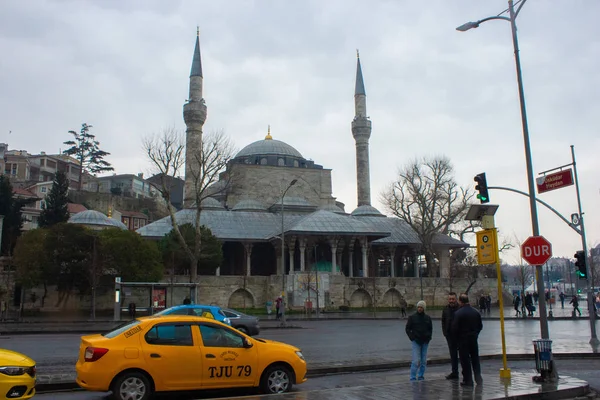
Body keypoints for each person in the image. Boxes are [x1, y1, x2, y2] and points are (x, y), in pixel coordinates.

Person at [452, 293, 483, 387]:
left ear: (460, 302)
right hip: (473, 339)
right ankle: (478, 378)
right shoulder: (476, 312)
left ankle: (468, 380)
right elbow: (480, 326)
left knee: (465, 360)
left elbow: (454, 328)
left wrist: (457, 339)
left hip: (463, 340)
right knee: (475, 359)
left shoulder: (458, 313)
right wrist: (475, 334)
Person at [405, 300, 432, 381]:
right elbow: (407, 328)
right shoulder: (412, 317)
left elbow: (430, 329)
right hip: (416, 341)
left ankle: (421, 376)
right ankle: (412, 377)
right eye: (419, 307)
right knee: (415, 360)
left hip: (425, 341)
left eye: (421, 307)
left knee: (423, 361)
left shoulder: (427, 318)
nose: (420, 309)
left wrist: (429, 337)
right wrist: (412, 337)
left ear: (424, 308)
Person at [441, 292, 459, 380]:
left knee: (463, 355)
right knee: (453, 355)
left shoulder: (460, 308)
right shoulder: (445, 309)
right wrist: (445, 332)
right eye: (450, 299)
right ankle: (455, 372)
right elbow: (443, 320)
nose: (451, 301)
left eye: (453, 299)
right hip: (450, 336)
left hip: (460, 336)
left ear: (456, 299)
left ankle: (466, 374)